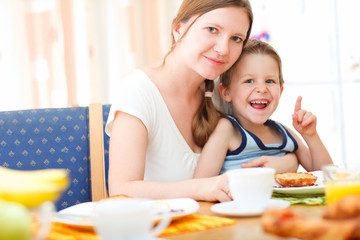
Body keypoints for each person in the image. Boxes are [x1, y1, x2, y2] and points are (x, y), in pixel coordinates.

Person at [105, 1, 297, 202]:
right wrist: (202, 188)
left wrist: (289, 162)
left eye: (236, 38)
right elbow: (121, 190)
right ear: (178, 28)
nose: (223, 49)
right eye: (212, 29)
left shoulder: (224, 89)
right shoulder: (139, 91)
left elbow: (266, 144)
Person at [194, 39, 333, 178]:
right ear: (226, 92)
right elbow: (202, 184)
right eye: (249, 81)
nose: (262, 89)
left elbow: (328, 176)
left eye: (270, 81)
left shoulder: (285, 134)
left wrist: (311, 136)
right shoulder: (227, 130)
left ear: (281, 90)